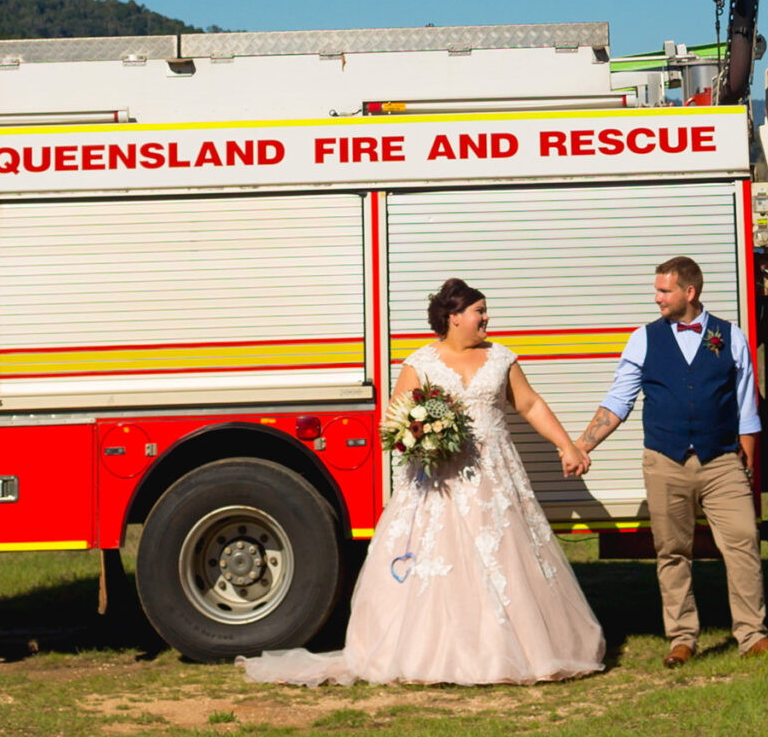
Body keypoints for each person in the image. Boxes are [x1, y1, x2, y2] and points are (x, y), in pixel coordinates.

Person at [239, 277, 605, 685]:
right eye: (479, 311)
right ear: (454, 318)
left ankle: (514, 651)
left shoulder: (502, 358)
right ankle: (434, 655)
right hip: (439, 481)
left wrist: (567, 445)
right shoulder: (420, 363)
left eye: (484, 310)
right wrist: (423, 437)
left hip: (494, 479)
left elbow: (530, 404)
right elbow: (395, 420)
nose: (487, 318)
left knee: (504, 560)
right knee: (442, 564)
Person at [577, 254, 768, 667]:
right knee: (672, 551)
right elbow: (618, 401)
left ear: (689, 292)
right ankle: (681, 639)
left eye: (664, 290)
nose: (657, 298)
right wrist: (583, 445)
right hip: (665, 461)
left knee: (744, 541)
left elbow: (747, 408)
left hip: (722, 462)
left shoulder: (731, 336)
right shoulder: (643, 338)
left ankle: (752, 636)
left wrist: (745, 462)